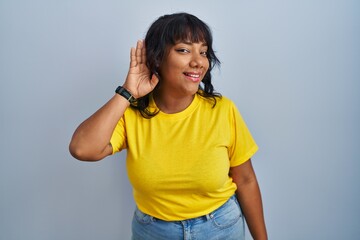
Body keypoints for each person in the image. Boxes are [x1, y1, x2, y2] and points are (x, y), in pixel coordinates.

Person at [69, 12, 267, 240]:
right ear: (156, 58)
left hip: (220, 229)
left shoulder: (223, 110)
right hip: (153, 232)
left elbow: (246, 180)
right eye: (184, 50)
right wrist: (127, 92)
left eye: (203, 52)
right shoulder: (131, 114)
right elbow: (82, 149)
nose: (198, 61)